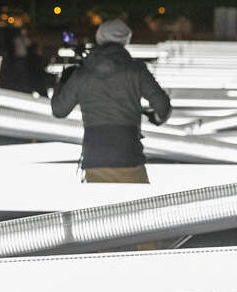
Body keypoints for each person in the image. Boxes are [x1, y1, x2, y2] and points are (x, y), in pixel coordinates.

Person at [51, 18, 171, 183]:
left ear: (99, 38)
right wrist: (155, 118)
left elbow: (59, 110)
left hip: (95, 158)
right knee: (138, 207)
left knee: (103, 207)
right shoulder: (137, 70)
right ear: (126, 40)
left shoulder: (82, 74)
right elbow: (163, 107)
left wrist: (62, 82)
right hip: (129, 155)